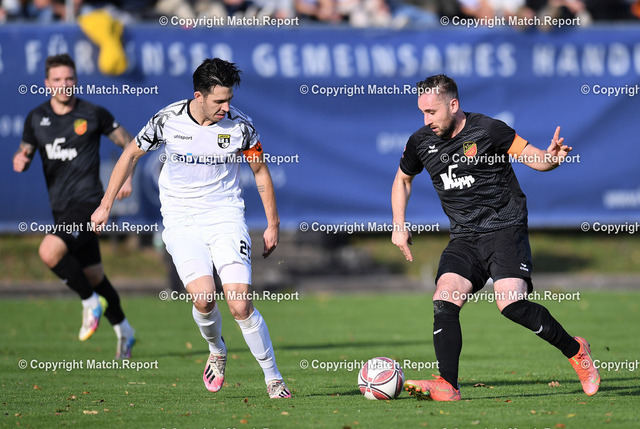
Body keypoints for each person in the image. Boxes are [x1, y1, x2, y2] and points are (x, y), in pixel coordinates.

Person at [91, 58, 291, 399]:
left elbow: (260, 171)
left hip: (225, 216)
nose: (226, 108)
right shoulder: (168, 120)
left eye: (229, 100)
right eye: (219, 101)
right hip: (181, 219)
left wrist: (273, 224)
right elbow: (130, 154)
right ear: (199, 96)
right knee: (204, 298)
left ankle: (273, 378)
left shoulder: (241, 127)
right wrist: (106, 204)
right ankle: (217, 350)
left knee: (240, 305)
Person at [391, 74, 600, 401]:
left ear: (453, 105)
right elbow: (403, 180)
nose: (426, 120)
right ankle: (448, 384)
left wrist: (552, 158)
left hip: (505, 229)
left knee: (511, 304)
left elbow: (534, 158)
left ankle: (576, 351)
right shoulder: (420, 142)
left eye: (432, 112)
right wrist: (399, 225)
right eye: (422, 112)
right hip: (464, 237)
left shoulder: (488, 130)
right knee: (444, 296)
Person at [13, 53, 136, 359]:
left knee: (49, 251)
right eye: (57, 79)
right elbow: (25, 150)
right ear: (47, 83)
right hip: (61, 208)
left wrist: (127, 178)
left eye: (69, 78)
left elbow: (130, 143)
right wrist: (21, 158)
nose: (64, 84)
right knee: (94, 275)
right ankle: (125, 330)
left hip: (89, 203)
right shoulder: (36, 118)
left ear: (76, 80)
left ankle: (90, 303)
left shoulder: (93, 113)